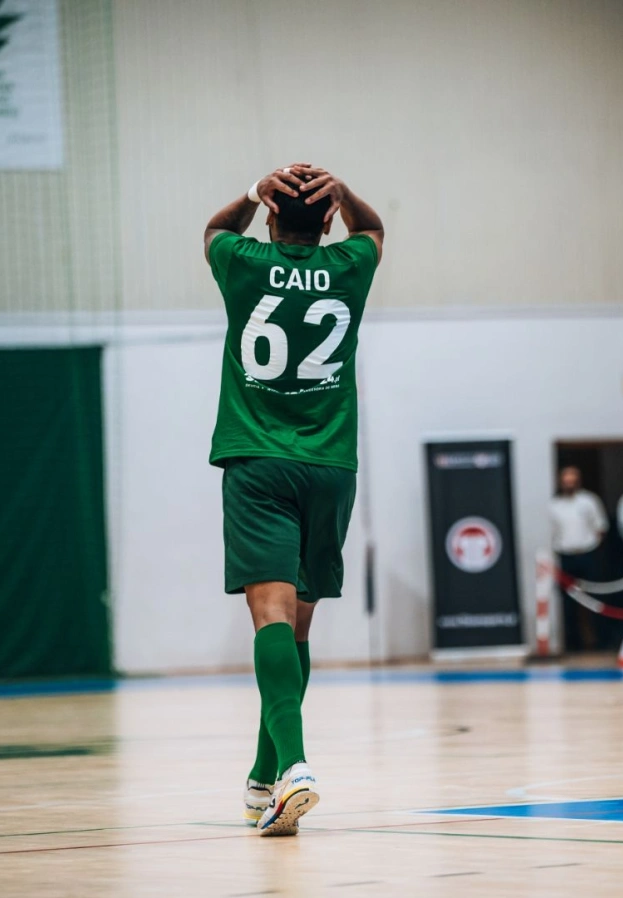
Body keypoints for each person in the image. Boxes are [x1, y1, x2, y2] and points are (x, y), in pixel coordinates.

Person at [204, 163, 384, 835]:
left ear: (272, 216)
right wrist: (346, 193)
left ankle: (297, 764)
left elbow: (215, 229)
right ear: (330, 217)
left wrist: (254, 192)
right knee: (298, 627)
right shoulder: (350, 265)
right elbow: (375, 229)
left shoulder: (244, 261)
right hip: (331, 466)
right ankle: (264, 779)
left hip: (258, 461)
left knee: (270, 618)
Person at [550, 467, 609, 652]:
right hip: (565, 556)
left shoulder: (589, 501)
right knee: (568, 603)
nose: (569, 483)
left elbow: (600, 527)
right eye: (566, 480)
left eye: (573, 479)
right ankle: (572, 643)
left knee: (595, 598)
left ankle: (601, 641)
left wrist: (594, 548)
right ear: (560, 482)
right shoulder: (554, 505)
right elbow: (551, 532)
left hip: (588, 554)